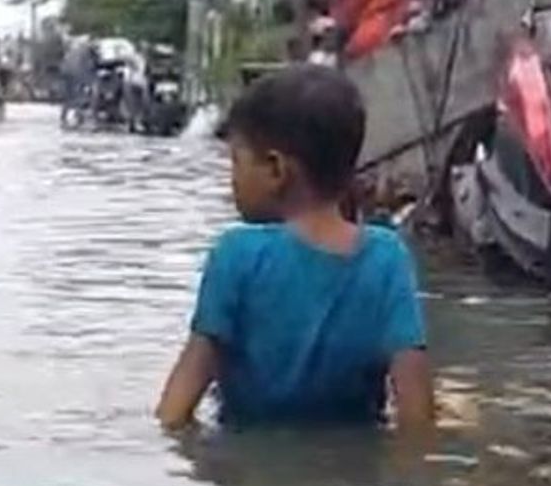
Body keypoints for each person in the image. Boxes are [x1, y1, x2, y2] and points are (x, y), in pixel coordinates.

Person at [155, 65, 434, 432]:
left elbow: (175, 412)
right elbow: (417, 418)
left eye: (236, 161)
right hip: (351, 479)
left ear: (275, 169)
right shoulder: (386, 258)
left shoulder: (236, 254)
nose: (231, 179)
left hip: (248, 476)